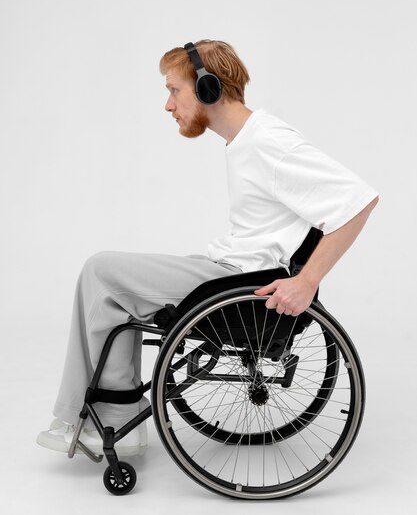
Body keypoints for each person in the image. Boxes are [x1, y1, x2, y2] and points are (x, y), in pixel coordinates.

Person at [37, 39, 378, 457]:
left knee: (100, 270)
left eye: (174, 90)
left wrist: (307, 281)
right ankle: (111, 412)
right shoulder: (245, 141)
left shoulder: (267, 140)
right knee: (107, 289)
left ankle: (107, 414)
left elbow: (358, 201)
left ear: (207, 89)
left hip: (237, 282)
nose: (168, 105)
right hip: (227, 268)